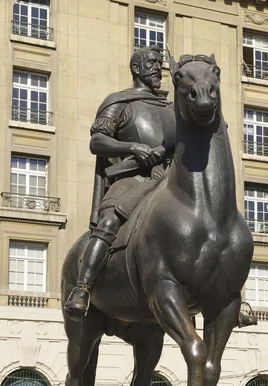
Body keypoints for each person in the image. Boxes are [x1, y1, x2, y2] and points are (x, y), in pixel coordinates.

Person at [64, 46, 176, 318]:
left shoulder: (173, 108)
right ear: (136, 69)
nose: (157, 69)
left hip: (168, 179)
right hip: (132, 178)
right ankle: (83, 287)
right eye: (151, 63)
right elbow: (97, 141)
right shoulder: (120, 102)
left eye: (159, 65)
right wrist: (133, 148)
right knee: (110, 220)